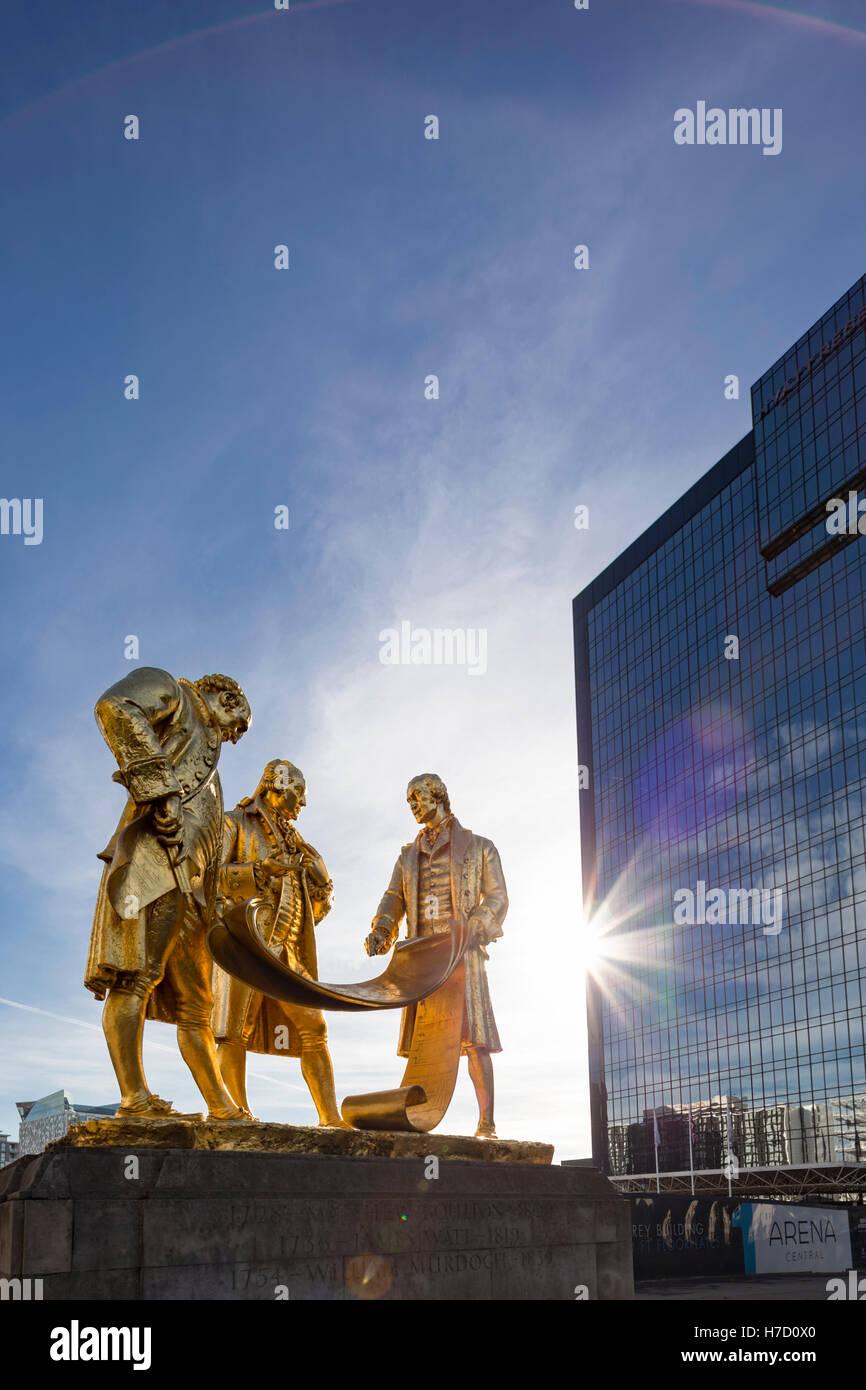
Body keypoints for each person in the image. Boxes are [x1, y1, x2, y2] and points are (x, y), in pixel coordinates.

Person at [85, 666, 251, 1121]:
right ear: (229, 699)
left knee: (197, 1007)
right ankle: (134, 1099)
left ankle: (222, 1108)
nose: (235, 737)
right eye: (239, 726)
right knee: (133, 975)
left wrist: (216, 904)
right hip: (152, 866)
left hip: (193, 891)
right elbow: (115, 707)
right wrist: (159, 790)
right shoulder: (172, 691)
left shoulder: (215, 777)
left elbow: (213, 845)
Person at [365, 773, 507, 1138]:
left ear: (439, 795)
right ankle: (420, 1113)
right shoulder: (407, 856)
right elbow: (393, 897)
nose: (412, 804)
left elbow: (497, 897)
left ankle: (486, 1123)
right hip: (422, 957)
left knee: (476, 1041)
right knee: (425, 1047)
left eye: (417, 796)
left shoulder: (480, 847)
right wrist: (383, 928)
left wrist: (477, 923)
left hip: (462, 952)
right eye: (408, 799)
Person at [213, 759, 350, 1128]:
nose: (303, 802)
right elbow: (208, 877)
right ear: (275, 785)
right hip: (243, 940)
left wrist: (322, 882)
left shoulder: (299, 844)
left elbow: (314, 909)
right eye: (299, 792)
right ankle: (235, 1115)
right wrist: (257, 872)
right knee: (232, 1030)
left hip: (287, 948)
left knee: (315, 1028)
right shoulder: (234, 823)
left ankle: (330, 1117)